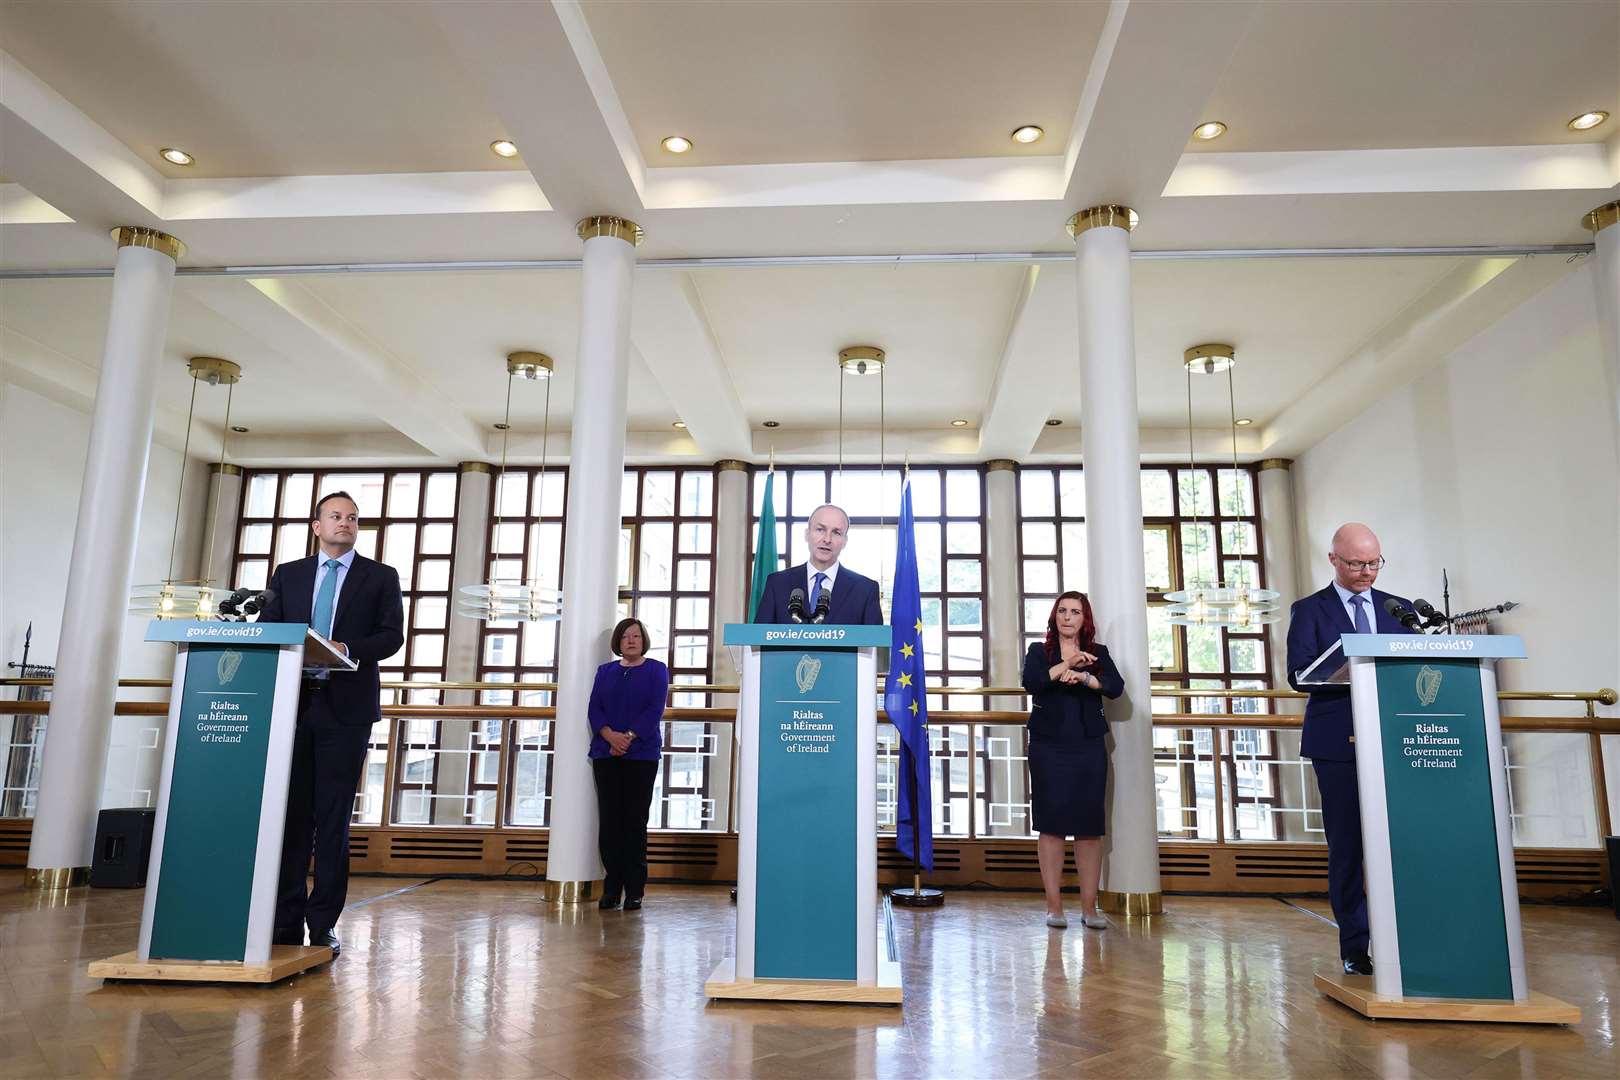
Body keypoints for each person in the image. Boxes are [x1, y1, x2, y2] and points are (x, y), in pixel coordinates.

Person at [261, 491, 403, 957]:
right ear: (317, 526)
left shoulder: (380, 576)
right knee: (290, 819)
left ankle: (322, 924)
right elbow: (270, 628)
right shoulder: (290, 574)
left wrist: (347, 646)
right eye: (336, 516)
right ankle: (283, 923)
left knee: (333, 822)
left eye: (353, 518)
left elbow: (391, 637)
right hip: (292, 708)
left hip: (346, 711)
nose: (345, 522)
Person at [1285, 522, 1418, 976]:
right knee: (1347, 845)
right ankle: (1355, 946)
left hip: (1394, 739)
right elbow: (1299, 674)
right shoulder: (1309, 610)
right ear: (1334, 560)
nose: (1366, 572)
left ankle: (1405, 937)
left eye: (1374, 563)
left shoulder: (1398, 609)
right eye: (1357, 563)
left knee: (1398, 840)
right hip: (1337, 742)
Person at [1021, 591, 1123, 930]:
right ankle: (1054, 908)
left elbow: (1115, 687)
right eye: (1062, 611)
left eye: (1075, 612)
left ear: (1084, 618)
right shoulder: (1040, 651)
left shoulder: (1099, 654)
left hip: (1088, 747)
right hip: (1048, 747)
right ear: (1054, 617)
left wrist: (1085, 677)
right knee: (1051, 827)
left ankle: (1090, 909)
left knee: (1089, 829)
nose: (1067, 617)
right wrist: (1066, 664)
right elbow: (1032, 682)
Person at [588, 616, 670, 912]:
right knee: (610, 823)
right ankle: (612, 887)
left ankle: (634, 890)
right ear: (618, 643)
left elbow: (654, 709)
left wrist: (629, 737)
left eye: (636, 636)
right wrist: (610, 736)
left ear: (643, 640)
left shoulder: (656, 670)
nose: (631, 641)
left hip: (641, 755)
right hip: (605, 754)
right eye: (625, 637)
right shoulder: (605, 671)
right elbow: (594, 708)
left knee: (634, 822)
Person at [752, 503, 884, 625]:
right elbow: (758, 639)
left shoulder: (865, 589)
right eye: (820, 529)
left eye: (836, 532)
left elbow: (874, 645)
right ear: (807, 534)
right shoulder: (777, 583)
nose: (827, 539)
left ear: (845, 541)